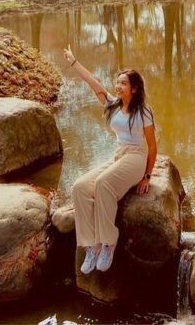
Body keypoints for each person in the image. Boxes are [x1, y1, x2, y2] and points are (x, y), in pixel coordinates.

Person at [64, 45, 157, 275]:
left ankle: (108, 243)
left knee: (103, 183)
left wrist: (147, 175)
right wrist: (74, 62)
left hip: (136, 157)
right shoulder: (112, 105)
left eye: (123, 83)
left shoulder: (144, 112)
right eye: (118, 82)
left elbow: (153, 146)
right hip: (118, 155)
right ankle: (91, 245)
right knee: (80, 188)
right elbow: (93, 82)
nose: (118, 86)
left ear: (134, 88)